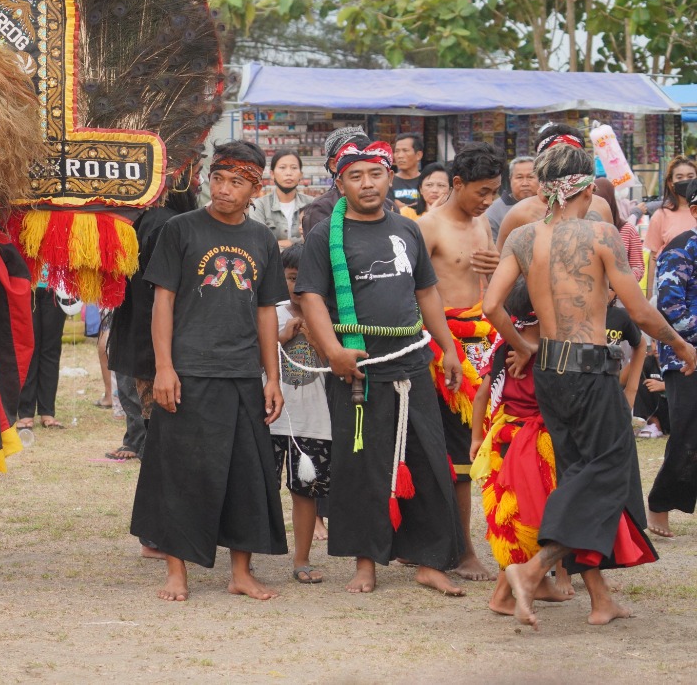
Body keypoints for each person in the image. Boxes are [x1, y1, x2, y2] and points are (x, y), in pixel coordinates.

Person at [482, 139, 695, 629]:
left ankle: (600, 599)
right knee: (608, 474)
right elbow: (638, 310)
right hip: (590, 369)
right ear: (584, 184)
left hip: (549, 371)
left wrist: (526, 345)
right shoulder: (601, 233)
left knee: (578, 473)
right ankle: (531, 570)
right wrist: (681, 348)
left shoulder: (523, 236)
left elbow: (492, 305)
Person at [294, 136, 468, 596]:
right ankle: (366, 562)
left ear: (390, 177)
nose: (367, 184)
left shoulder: (407, 229)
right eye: (355, 176)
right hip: (357, 367)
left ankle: (431, 561)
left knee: (429, 460)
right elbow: (309, 296)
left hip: (412, 361)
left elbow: (427, 292)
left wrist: (448, 349)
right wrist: (333, 351)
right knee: (362, 465)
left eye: (375, 174)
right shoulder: (321, 237)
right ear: (340, 183)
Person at [130, 141, 288, 601]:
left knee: (247, 473)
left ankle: (241, 572)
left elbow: (265, 313)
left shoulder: (261, 240)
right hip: (188, 371)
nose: (223, 189)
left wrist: (271, 378)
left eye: (236, 182)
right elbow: (163, 301)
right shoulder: (180, 230)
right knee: (180, 473)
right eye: (218, 178)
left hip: (242, 373)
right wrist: (163, 367)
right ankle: (176, 573)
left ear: (255, 188)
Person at [415, 143, 505, 581]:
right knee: (455, 460)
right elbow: (415, 291)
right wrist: (442, 346)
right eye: (482, 192)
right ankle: (463, 551)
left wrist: (499, 264)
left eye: (494, 193)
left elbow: (487, 285)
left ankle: (468, 547)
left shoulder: (483, 221)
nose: (488, 201)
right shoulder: (426, 227)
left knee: (478, 451)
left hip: (481, 343)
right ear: (457, 184)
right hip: (441, 351)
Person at [468, 279, 580, 616]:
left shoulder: (506, 346)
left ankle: (546, 580)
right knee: (530, 516)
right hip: (533, 445)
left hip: (507, 437)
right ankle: (506, 593)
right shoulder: (552, 351)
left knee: (520, 514)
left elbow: (483, 394)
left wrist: (476, 437)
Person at [107, 173, 201, 468]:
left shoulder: (150, 218)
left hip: (141, 333)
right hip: (155, 339)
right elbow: (161, 296)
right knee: (162, 434)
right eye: (195, 174)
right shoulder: (166, 224)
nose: (199, 182)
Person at [270, 242, 331, 585]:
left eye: (306, 280)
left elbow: (334, 363)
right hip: (271, 417)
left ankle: (302, 558)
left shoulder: (326, 315)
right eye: (292, 278)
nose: (298, 287)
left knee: (305, 491)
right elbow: (252, 354)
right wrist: (281, 337)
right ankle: (249, 552)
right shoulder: (271, 312)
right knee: (261, 486)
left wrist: (316, 335)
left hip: (313, 419)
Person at [646, 228, 697, 538]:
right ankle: (659, 505)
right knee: (688, 436)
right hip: (684, 357)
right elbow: (669, 307)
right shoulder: (681, 248)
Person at [495, 125, 617, 252]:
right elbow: (500, 262)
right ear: (541, 166)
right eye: (555, 159)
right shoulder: (520, 213)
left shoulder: (600, 206)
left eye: (571, 158)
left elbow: (612, 260)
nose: (565, 166)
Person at [300, 126, 400, 238]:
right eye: (351, 153)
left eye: (366, 152)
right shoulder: (322, 209)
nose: (362, 156)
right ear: (333, 165)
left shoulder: (389, 206)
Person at [17, 279, 67, 432]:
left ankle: (47, 412)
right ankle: (25, 412)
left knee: (51, 349)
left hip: (55, 285)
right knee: (28, 348)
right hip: (25, 284)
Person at [644, 157, 697, 289]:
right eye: (679, 177)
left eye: (690, 176)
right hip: (671, 288)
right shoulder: (661, 215)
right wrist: (650, 295)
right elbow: (653, 257)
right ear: (670, 182)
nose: (685, 180)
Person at [249, 149, 313, 248]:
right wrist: (299, 242)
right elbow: (258, 242)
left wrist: (289, 242)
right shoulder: (259, 205)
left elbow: (317, 240)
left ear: (301, 174)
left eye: (294, 168)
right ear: (272, 174)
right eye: (282, 167)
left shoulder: (312, 204)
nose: (288, 173)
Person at [485, 156, 538, 241]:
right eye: (519, 177)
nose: (525, 183)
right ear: (510, 180)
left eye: (530, 177)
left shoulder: (550, 206)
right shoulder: (493, 211)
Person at [389, 134, 425, 206]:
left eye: (405, 150)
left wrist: (404, 208)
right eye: (397, 151)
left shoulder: (427, 182)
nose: (400, 156)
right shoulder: (388, 182)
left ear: (418, 155)